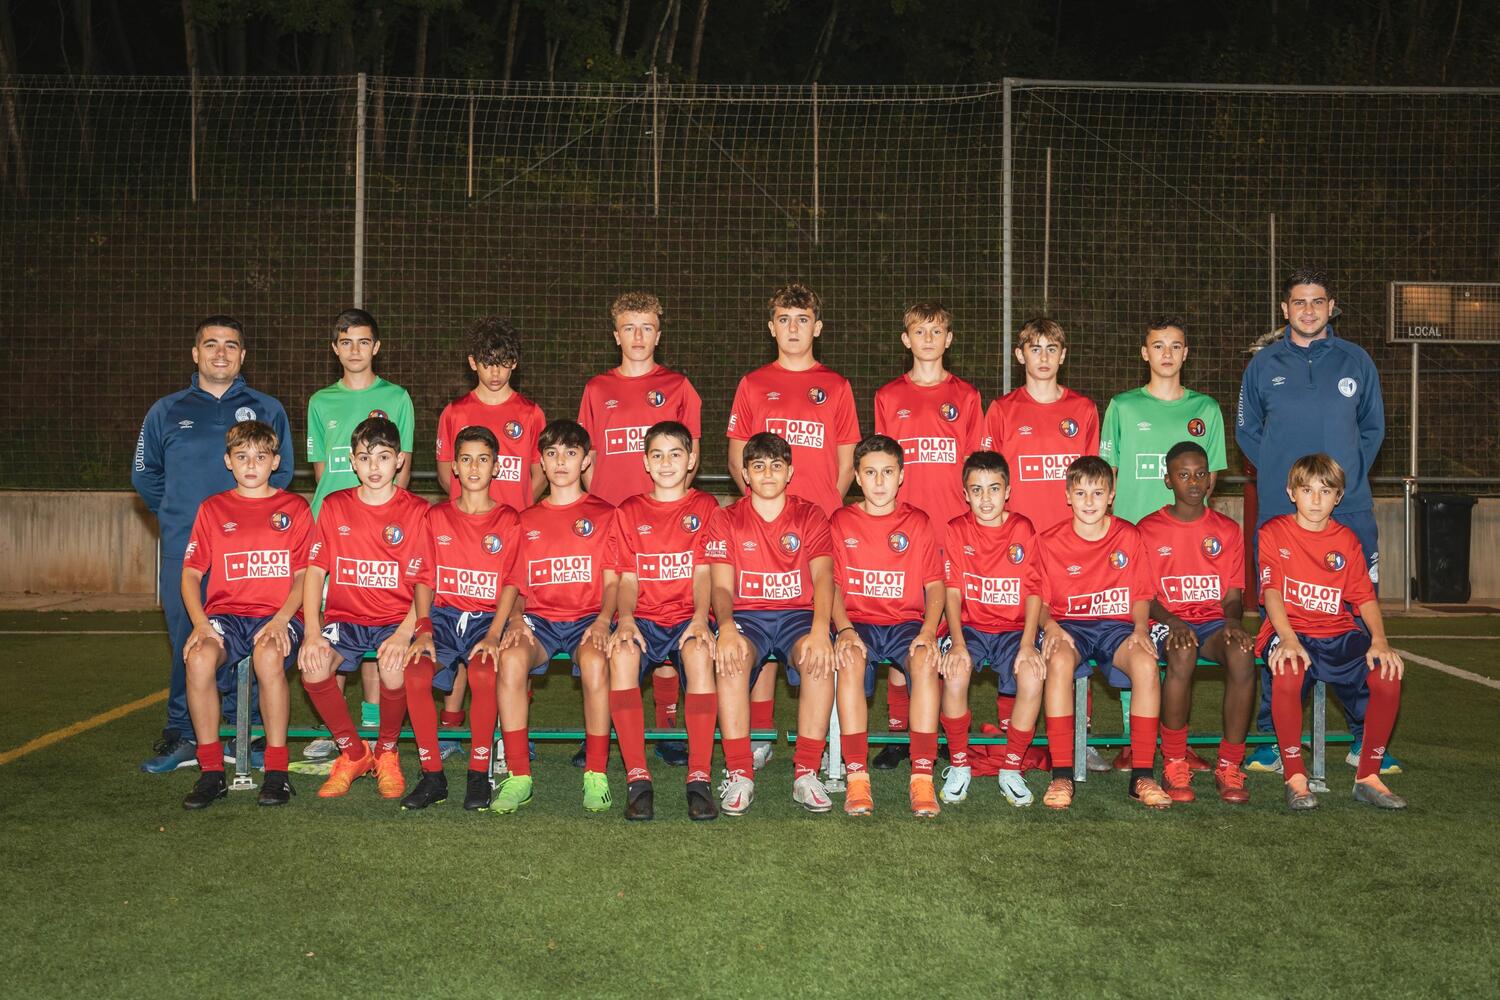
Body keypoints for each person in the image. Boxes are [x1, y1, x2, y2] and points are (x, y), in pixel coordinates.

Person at [1235, 269, 1397, 774]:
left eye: (1318, 301)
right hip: (1283, 510)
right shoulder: (1264, 365)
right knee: (1278, 614)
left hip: (1349, 510)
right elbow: (1247, 430)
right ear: (1285, 309)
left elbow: (1372, 429)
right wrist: (1284, 477)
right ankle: (1271, 736)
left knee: (1355, 616)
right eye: (1299, 302)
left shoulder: (1356, 360)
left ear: (1332, 307)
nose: (1309, 310)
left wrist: (1338, 482)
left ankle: (1364, 736)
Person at [133, 315, 295, 774]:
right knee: (190, 639)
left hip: (251, 555)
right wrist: (179, 515)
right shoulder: (166, 410)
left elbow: (282, 473)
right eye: (210, 344)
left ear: (243, 355)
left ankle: (248, 731)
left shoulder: (267, 408)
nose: (220, 352)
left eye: (230, 345)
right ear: (195, 353)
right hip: (186, 547)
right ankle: (184, 732)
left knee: (258, 636)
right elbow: (145, 475)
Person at [727, 283, 860, 767]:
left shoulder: (837, 386)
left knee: (816, 622)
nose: (793, 328)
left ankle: (820, 743)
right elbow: (737, 455)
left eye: (802, 319)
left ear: (817, 328)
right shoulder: (753, 384)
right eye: (784, 319)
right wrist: (764, 512)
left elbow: (846, 463)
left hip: (817, 527)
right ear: (771, 328)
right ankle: (760, 735)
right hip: (763, 525)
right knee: (761, 613)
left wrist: (820, 511)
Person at [472, 419, 619, 815]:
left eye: (570, 453)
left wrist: (603, 620)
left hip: (588, 618)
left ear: (585, 460)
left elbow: (613, 582)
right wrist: (516, 619)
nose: (561, 462)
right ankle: (519, 774)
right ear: (541, 460)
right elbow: (515, 584)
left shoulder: (606, 514)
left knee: (595, 663)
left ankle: (596, 773)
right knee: (511, 658)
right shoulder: (525, 519)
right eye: (552, 453)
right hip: (540, 621)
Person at [579, 292, 701, 765]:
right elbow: (589, 457)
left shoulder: (678, 386)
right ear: (616, 335)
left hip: (665, 522)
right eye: (629, 328)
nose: (638, 336)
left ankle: (667, 726)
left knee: (665, 614)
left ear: (658, 334)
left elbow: (690, 456)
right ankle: (600, 730)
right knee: (607, 624)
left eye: (646, 327)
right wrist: (604, 506)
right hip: (613, 521)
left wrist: (669, 507)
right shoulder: (597, 389)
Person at [1257, 454, 1406, 810]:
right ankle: (1295, 777)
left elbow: (1363, 597)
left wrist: (1380, 641)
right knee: (1288, 668)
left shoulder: (1347, 540)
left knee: (1387, 673)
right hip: (1289, 629)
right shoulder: (1273, 532)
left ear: (1338, 497)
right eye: (1307, 490)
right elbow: (1272, 592)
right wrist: (1287, 638)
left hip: (1336, 631)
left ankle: (1368, 777)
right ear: (1291, 493)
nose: (1315, 499)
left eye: (1325, 492)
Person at [871, 301, 983, 767]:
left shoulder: (967, 396)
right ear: (906, 340)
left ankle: (939, 730)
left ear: (949, 339)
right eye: (920, 331)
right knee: (905, 623)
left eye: (937, 331)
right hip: (903, 532)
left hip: (953, 530)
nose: (929, 339)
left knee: (947, 630)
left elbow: (976, 469)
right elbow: (879, 465)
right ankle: (901, 733)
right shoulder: (888, 396)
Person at [178, 420, 311, 809]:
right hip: (227, 614)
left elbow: (304, 575)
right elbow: (190, 574)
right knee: (198, 658)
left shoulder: (294, 508)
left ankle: (277, 772)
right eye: (242, 456)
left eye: (260, 456)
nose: (251, 464)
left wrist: (282, 619)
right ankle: (211, 772)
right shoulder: (213, 508)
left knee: (268, 656)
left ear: (275, 462)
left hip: (279, 614)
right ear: (228, 461)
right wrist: (200, 623)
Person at [296, 416, 429, 800]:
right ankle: (354, 753)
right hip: (346, 618)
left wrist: (405, 632)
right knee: (313, 666)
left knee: (393, 667)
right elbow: (315, 571)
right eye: (365, 458)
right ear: (352, 462)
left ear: (399, 461)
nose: (374, 467)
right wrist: (312, 632)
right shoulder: (335, 506)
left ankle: (386, 752)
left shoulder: (418, 510)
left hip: (395, 618)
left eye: (383, 457)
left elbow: (427, 581)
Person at [704, 432, 837, 816]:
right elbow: (720, 586)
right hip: (747, 616)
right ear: (745, 473)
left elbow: (824, 576)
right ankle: (739, 773)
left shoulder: (810, 514)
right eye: (758, 466)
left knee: (818, 658)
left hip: (797, 615)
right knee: (730, 659)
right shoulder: (726, 518)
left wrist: (820, 630)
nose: (767, 474)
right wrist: (726, 627)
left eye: (776, 466)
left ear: (790, 472)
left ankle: (806, 773)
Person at [305, 308, 416, 752]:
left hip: (382, 528)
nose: (355, 350)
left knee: (379, 621)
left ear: (377, 347)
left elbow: (402, 472)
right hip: (335, 525)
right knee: (336, 624)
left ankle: (373, 724)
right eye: (346, 342)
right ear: (335, 348)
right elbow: (321, 474)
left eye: (363, 341)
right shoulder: (320, 402)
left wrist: (386, 522)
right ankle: (338, 733)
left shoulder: (397, 398)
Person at [1037, 456, 1172, 810]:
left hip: (1118, 626)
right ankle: (1061, 774)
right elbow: (1038, 601)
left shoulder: (1128, 535)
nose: (1089, 501)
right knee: (1058, 661)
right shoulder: (1049, 541)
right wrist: (1050, 627)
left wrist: (1140, 628)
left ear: (1111, 495)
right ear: (1067, 495)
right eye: (1080, 493)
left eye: (1097, 493)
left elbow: (1141, 594)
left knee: (1146, 664)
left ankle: (1142, 775)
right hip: (1070, 625)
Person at [400, 426, 522, 812]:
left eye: (483, 460)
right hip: (443, 618)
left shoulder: (509, 519)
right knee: (415, 673)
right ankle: (432, 776)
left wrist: (495, 633)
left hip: (487, 619)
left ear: (496, 467)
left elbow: (511, 582)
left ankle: (478, 773)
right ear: (454, 466)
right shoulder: (436, 516)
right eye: (466, 459)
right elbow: (424, 578)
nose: (473, 467)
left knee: (484, 672)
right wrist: (423, 629)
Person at [607, 421, 722, 821]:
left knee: (699, 655)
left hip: (688, 617)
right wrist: (625, 619)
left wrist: (700, 619)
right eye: (657, 455)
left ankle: (699, 778)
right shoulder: (629, 511)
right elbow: (627, 578)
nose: (666, 462)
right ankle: (638, 780)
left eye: (676, 454)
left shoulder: (705, 507)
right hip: (643, 617)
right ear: (645, 462)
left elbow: (704, 572)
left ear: (691, 460)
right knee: (622, 654)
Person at [828, 435, 945, 817]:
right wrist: (844, 629)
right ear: (857, 477)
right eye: (870, 473)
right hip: (858, 622)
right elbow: (832, 585)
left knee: (925, 661)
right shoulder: (842, 521)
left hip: (905, 623)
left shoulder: (918, 522)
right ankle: (857, 776)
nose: (879, 482)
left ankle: (922, 776)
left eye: (888, 472)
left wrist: (928, 631)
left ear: (901, 476)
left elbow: (935, 585)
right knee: (848, 660)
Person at [1136, 442, 1255, 804]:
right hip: (1166, 621)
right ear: (1168, 480)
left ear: (1209, 480)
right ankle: (1174, 761)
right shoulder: (1148, 529)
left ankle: (1229, 765)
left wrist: (1232, 621)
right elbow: (1144, 596)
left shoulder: (1227, 530)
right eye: (1183, 474)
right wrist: (1172, 621)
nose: (1193, 482)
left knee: (1242, 653)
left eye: (1200, 474)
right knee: (1183, 651)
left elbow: (1232, 595)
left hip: (1212, 622)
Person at [940, 451, 1046, 808]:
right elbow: (952, 593)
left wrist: (1028, 644)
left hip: (1013, 630)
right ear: (965, 494)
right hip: (970, 627)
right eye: (977, 490)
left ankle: (1011, 768)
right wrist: (957, 643)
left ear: (1008, 492)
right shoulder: (956, 529)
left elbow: (1033, 591)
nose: (986, 499)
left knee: (1031, 674)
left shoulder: (1023, 528)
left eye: (994, 489)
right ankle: (959, 765)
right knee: (955, 673)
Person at [1099, 315, 1227, 524]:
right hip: (1133, 526)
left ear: (1185, 353)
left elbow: (1209, 479)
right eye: (1158, 346)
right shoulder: (1122, 406)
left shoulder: (1207, 409)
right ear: (1145, 353)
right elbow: (1106, 475)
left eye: (1175, 346)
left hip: (1186, 529)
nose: (1167, 354)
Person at [981, 316, 1099, 533]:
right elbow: (987, 477)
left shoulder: (1084, 409)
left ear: (1062, 355)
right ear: (1020, 355)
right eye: (1035, 349)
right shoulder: (1002, 410)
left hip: (1071, 534)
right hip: (1017, 534)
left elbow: (1093, 479)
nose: (1044, 357)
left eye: (1051, 349)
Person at [436, 316, 546, 514]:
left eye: (503, 362)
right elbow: (446, 475)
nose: (495, 372)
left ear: (514, 362)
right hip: (465, 522)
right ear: (473, 362)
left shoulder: (531, 414)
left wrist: (518, 510)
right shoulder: (454, 413)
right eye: (487, 363)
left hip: (513, 523)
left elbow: (541, 475)